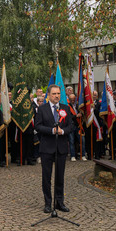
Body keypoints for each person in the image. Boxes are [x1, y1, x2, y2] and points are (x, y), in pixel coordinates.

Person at [34, 85, 70, 213]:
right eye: (54, 94)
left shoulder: (65, 108)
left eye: (59, 93)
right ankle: (48, 203)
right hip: (47, 147)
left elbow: (71, 126)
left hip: (61, 147)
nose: (57, 96)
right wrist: (51, 130)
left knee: (60, 176)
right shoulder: (42, 109)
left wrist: (62, 131)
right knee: (46, 177)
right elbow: (38, 126)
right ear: (48, 95)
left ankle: (59, 202)